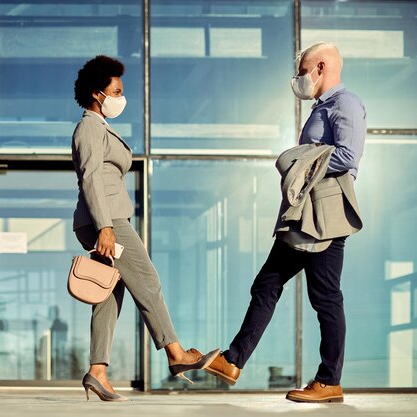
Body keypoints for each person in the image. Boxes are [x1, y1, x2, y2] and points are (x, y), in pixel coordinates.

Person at [204, 42, 366, 403]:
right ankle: (233, 361)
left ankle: (329, 381)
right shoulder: (322, 108)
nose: (298, 80)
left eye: (302, 71)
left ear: (321, 68)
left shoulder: (346, 104)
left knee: (325, 296)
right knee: (266, 284)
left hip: (325, 218)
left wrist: (298, 160)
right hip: (302, 216)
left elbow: (347, 156)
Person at [71, 55, 219, 402]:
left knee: (108, 293)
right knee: (147, 279)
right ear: (97, 93)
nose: (122, 97)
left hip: (103, 218)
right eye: (116, 91)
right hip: (105, 220)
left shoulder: (100, 127)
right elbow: (92, 177)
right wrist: (105, 227)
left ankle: (97, 372)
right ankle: (176, 354)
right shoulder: (90, 128)